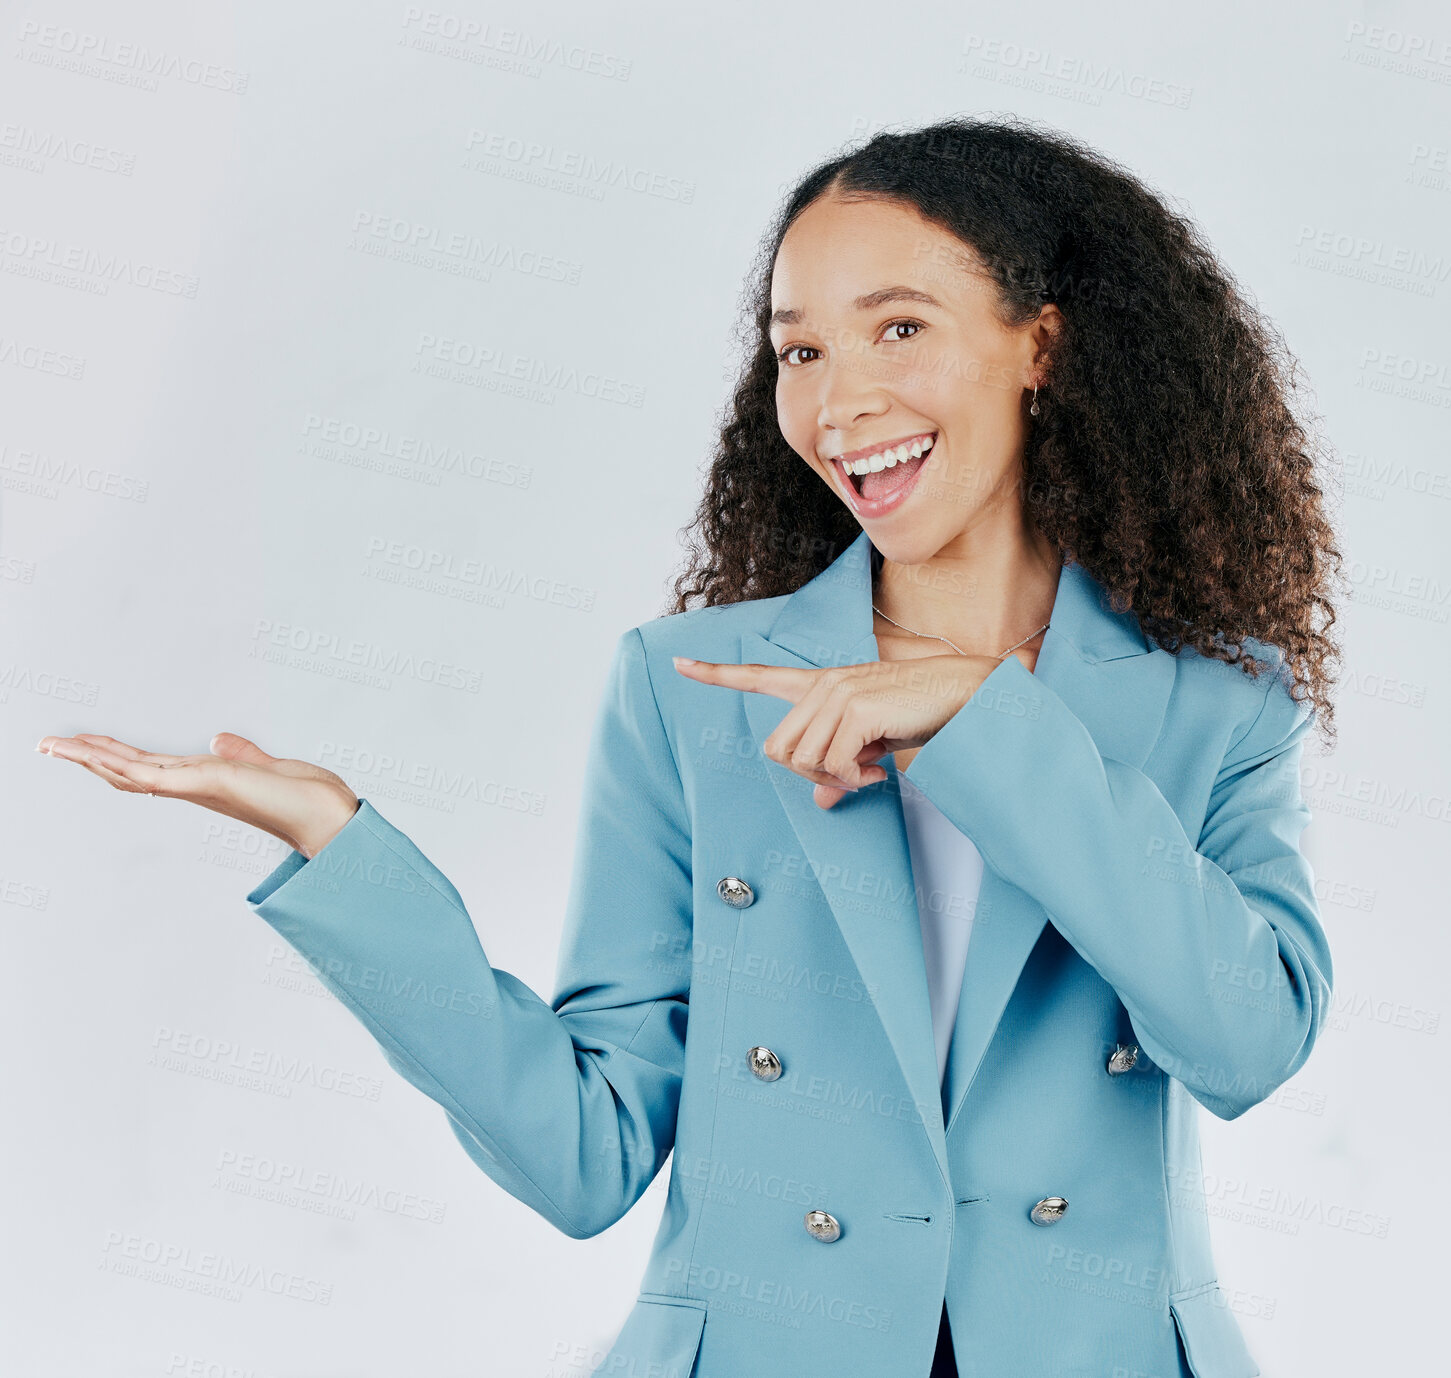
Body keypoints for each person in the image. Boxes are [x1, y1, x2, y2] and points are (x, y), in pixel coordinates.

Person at [39, 114, 1342, 1378]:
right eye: (800, 350)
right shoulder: (690, 692)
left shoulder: (1215, 698)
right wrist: (339, 852)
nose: (842, 399)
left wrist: (983, 720)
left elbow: (1246, 1044)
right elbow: (587, 1154)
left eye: (899, 327)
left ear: (1040, 343)